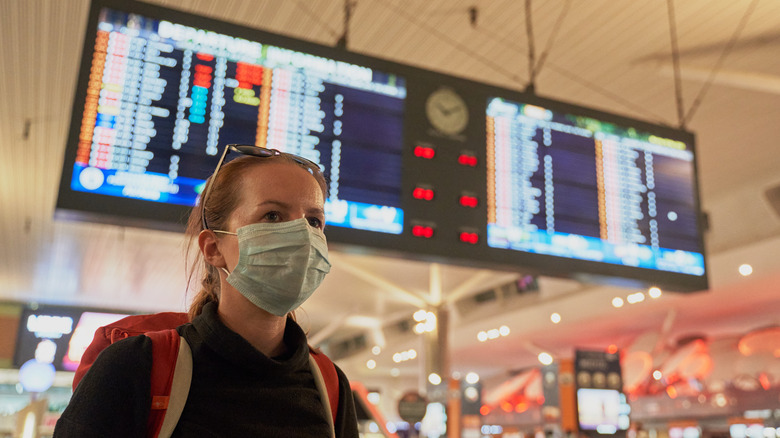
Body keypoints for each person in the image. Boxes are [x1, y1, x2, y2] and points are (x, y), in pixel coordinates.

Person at [54, 145, 359, 437]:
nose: (302, 236)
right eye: (272, 216)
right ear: (213, 248)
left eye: (314, 221)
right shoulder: (133, 367)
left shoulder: (330, 385)